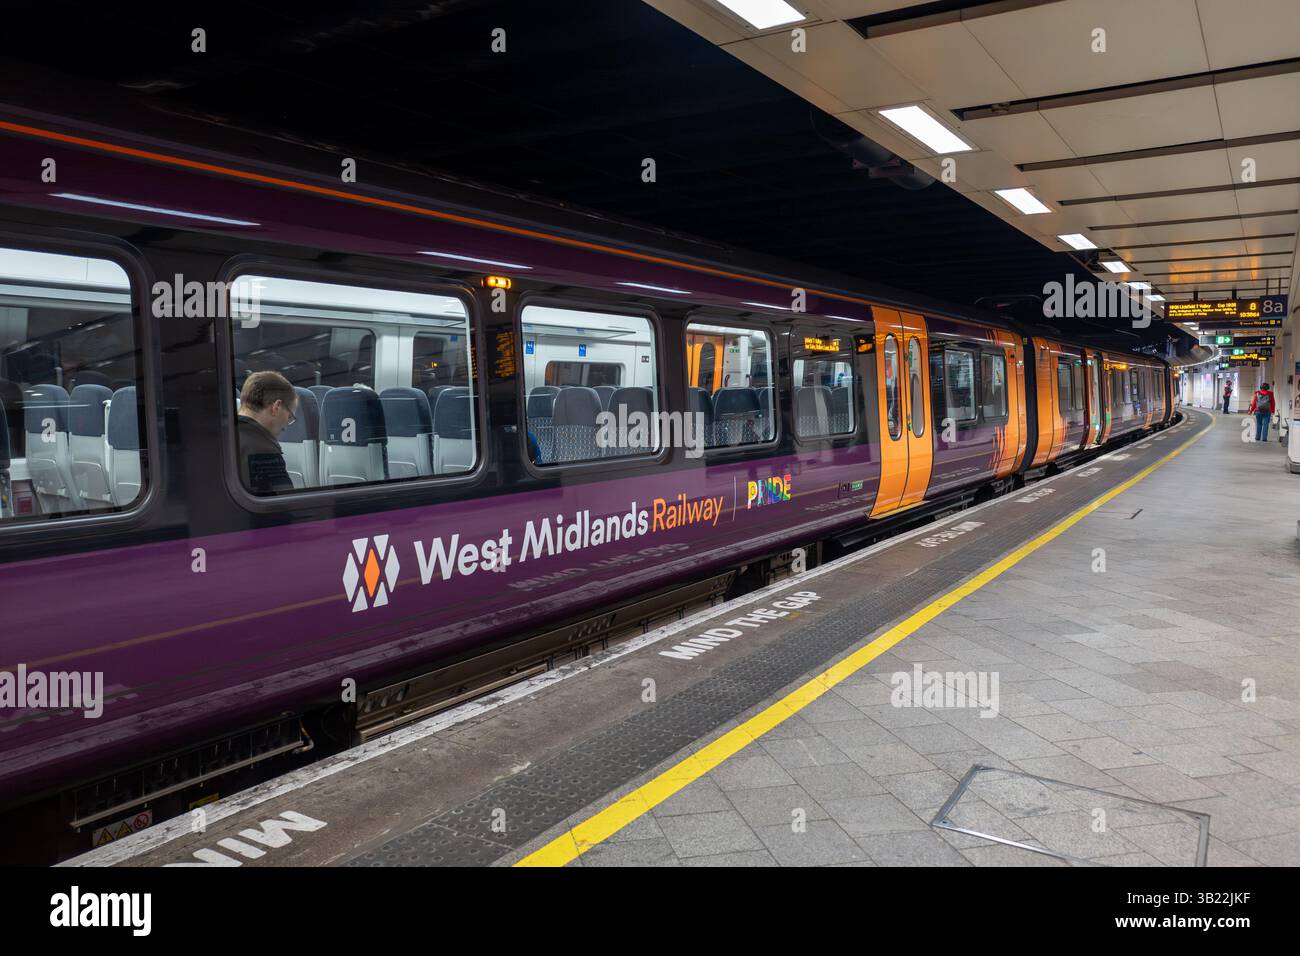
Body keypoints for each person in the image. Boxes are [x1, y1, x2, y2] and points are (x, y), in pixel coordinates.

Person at [237, 371, 297, 494]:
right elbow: (285, 505)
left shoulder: (225, 434)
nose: (285, 427)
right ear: (277, 406)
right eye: (289, 416)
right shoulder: (264, 449)